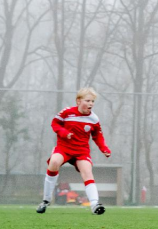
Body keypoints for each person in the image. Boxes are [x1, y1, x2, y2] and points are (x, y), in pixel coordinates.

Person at [36, 87, 111, 215]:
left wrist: (104, 148)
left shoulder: (94, 119)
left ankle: (94, 204)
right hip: (64, 148)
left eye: (92, 101)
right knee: (54, 162)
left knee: (87, 172)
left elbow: (97, 136)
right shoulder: (67, 113)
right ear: (78, 101)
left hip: (81, 151)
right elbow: (55, 123)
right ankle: (46, 200)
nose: (91, 104)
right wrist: (64, 133)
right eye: (88, 101)